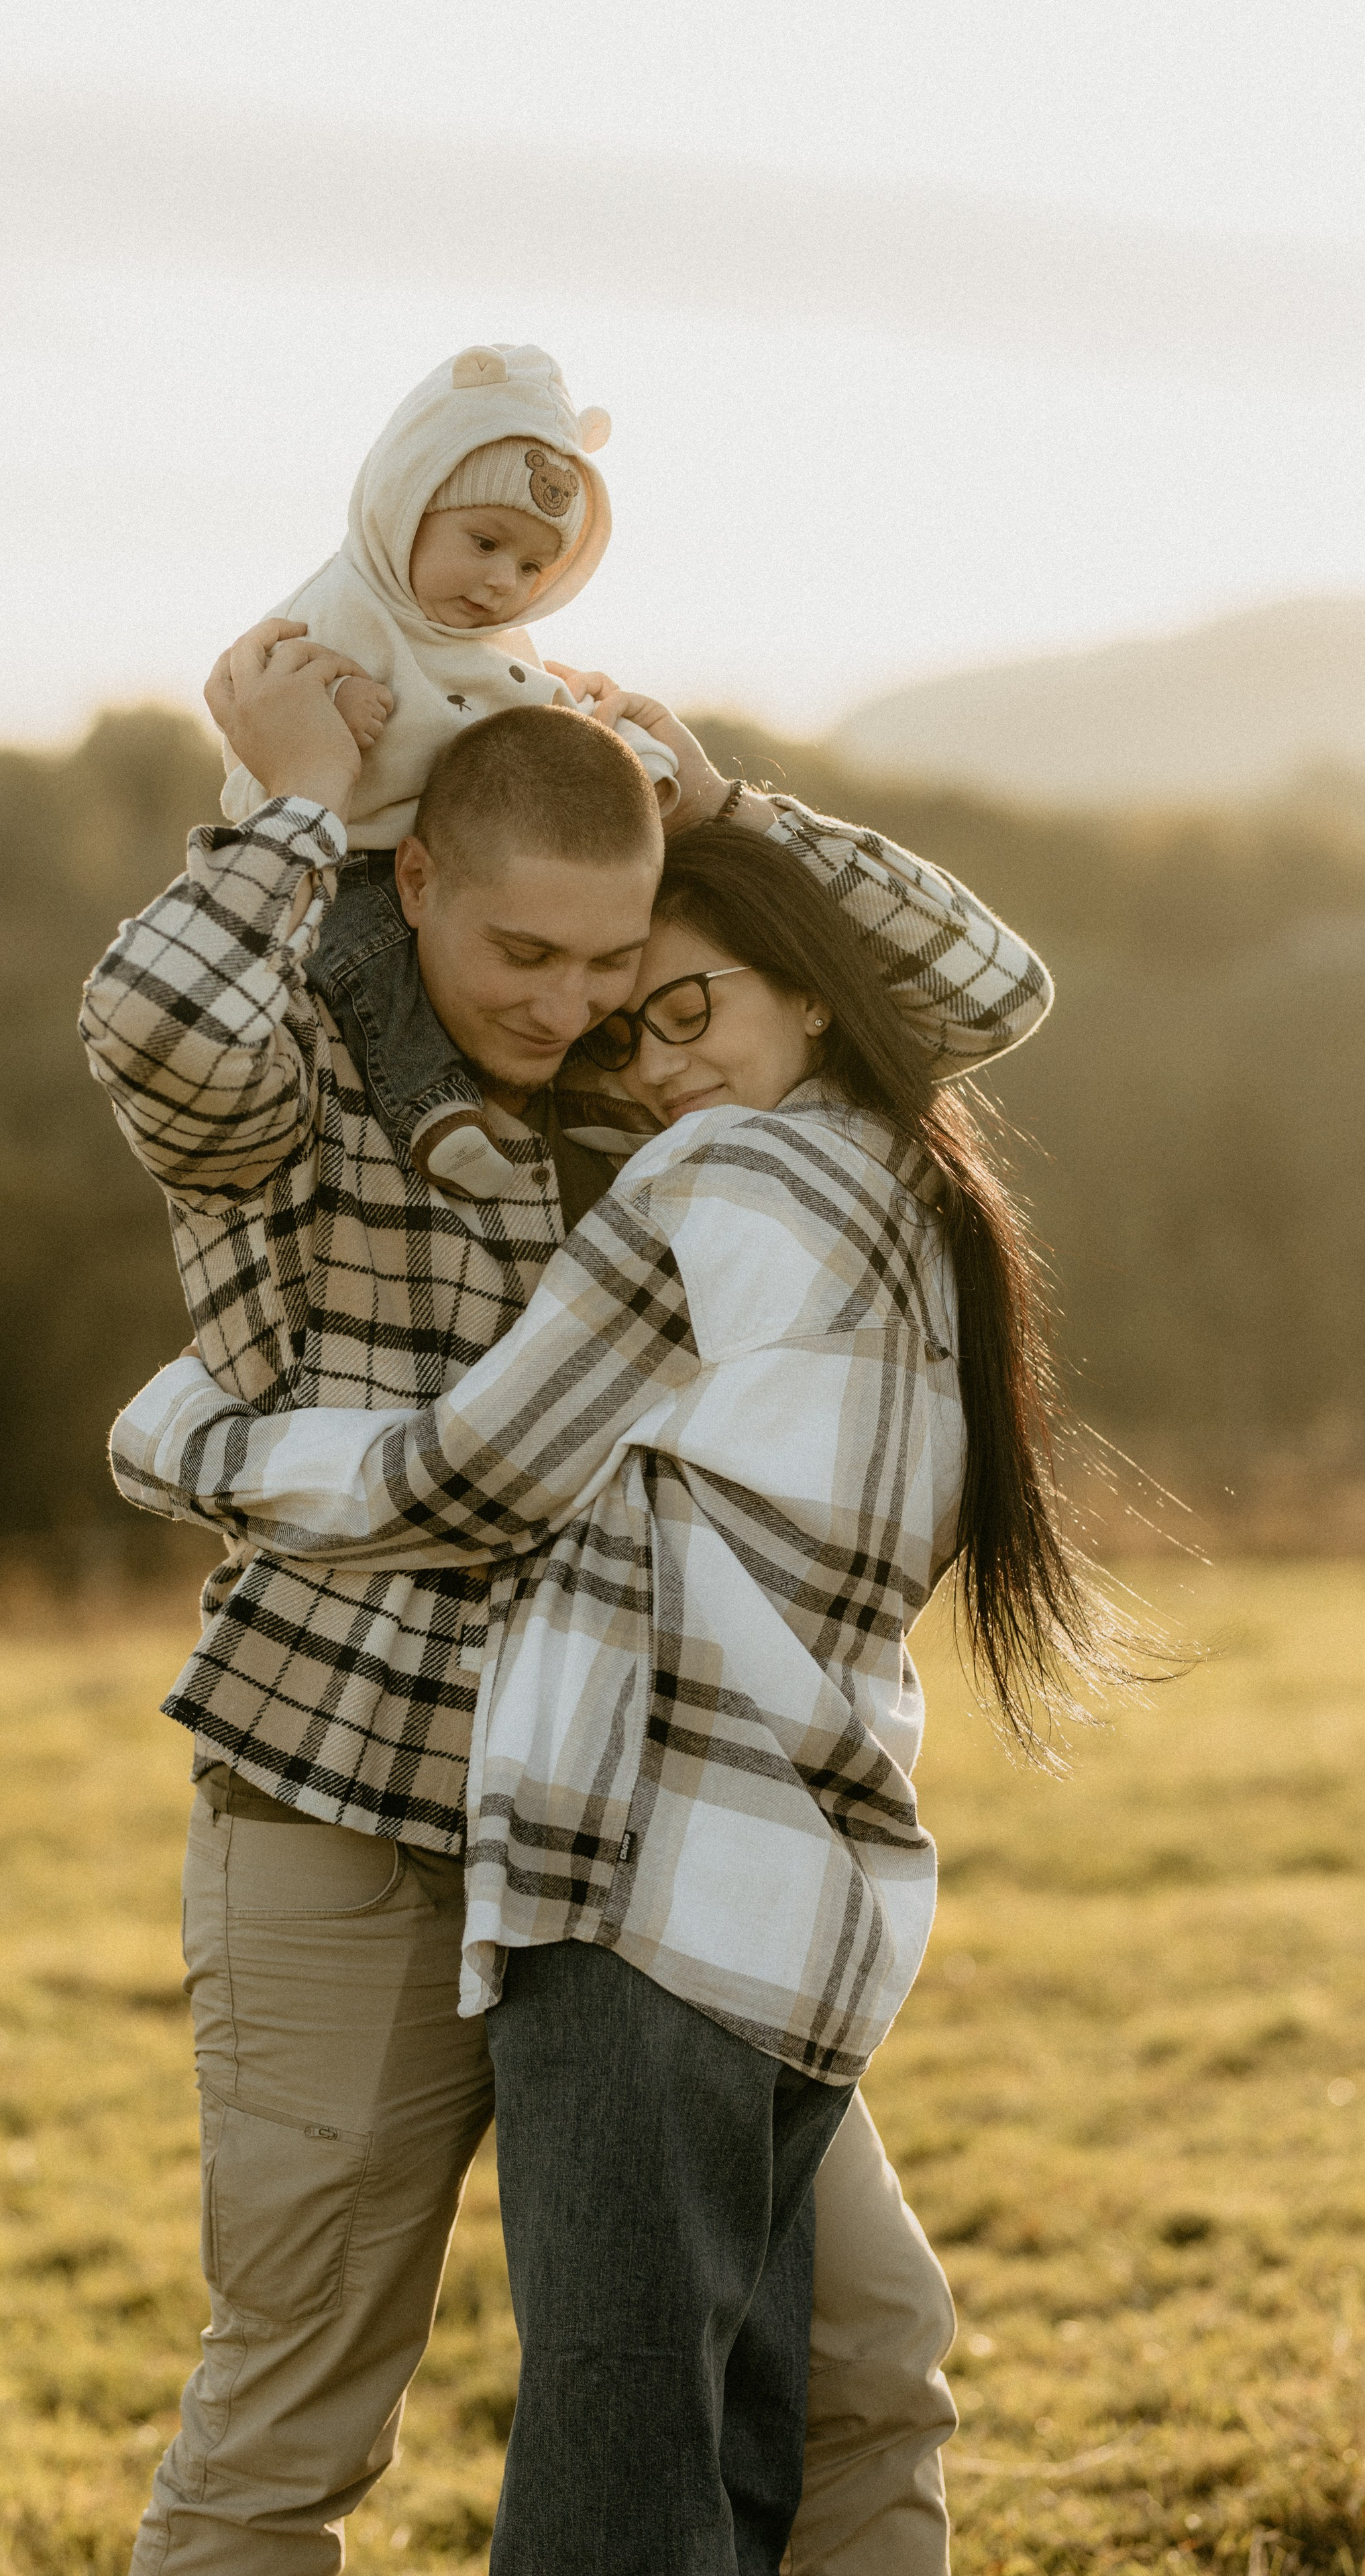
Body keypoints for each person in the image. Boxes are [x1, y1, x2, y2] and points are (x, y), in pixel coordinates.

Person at [78, 629, 1054, 2575]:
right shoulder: (307, 1095)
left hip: (633, 1857)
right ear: (415, 882)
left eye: (613, 967)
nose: (575, 1005)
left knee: (871, 2363)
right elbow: (160, 1030)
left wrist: (724, 812)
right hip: (348, 1818)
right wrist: (281, 805)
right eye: (528, 958)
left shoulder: (651, 1102)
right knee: (296, 2414)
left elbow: (977, 991)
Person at [213, 339, 674, 1203]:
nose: (504, 582)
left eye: (533, 566)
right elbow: (269, 699)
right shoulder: (344, 605)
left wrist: (641, 766)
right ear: (407, 505)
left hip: (456, 858)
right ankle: (434, 1117)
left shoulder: (488, 646)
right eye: (485, 541)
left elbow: (548, 728)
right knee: (367, 964)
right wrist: (337, 704)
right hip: (340, 859)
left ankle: (592, 1116)